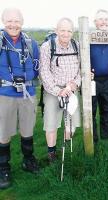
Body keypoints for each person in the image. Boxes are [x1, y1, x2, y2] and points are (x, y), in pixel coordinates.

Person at [0, 7, 40, 189]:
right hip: (5, 94)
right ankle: (3, 168)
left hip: (27, 93)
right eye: (9, 21)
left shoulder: (31, 43)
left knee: (28, 128)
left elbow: (37, 66)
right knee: (3, 132)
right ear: (3, 21)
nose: (13, 24)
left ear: (22, 23)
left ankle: (28, 160)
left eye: (16, 21)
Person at [40, 18, 81, 163]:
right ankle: (51, 154)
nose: (66, 33)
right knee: (51, 124)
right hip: (53, 91)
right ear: (56, 30)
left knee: (71, 124)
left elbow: (81, 70)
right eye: (62, 30)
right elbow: (44, 72)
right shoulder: (47, 47)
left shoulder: (77, 45)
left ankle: (65, 148)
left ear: (72, 32)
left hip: (71, 90)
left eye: (69, 30)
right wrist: (58, 91)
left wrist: (74, 85)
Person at [90, 10, 108, 143]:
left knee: (107, 110)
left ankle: (105, 139)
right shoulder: (88, 38)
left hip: (107, 80)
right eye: (100, 19)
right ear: (95, 22)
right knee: (91, 111)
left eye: (106, 19)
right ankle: (93, 139)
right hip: (91, 81)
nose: (103, 22)